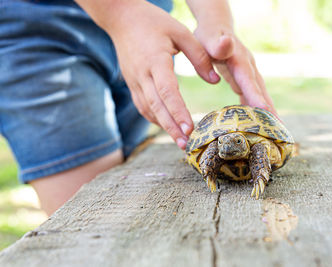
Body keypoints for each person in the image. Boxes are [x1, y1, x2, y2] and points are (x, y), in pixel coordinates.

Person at [0, 0, 277, 215]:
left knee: (130, 188)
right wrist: (121, 13)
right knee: (92, 215)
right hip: (41, 31)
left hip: (148, 31)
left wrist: (215, 20)